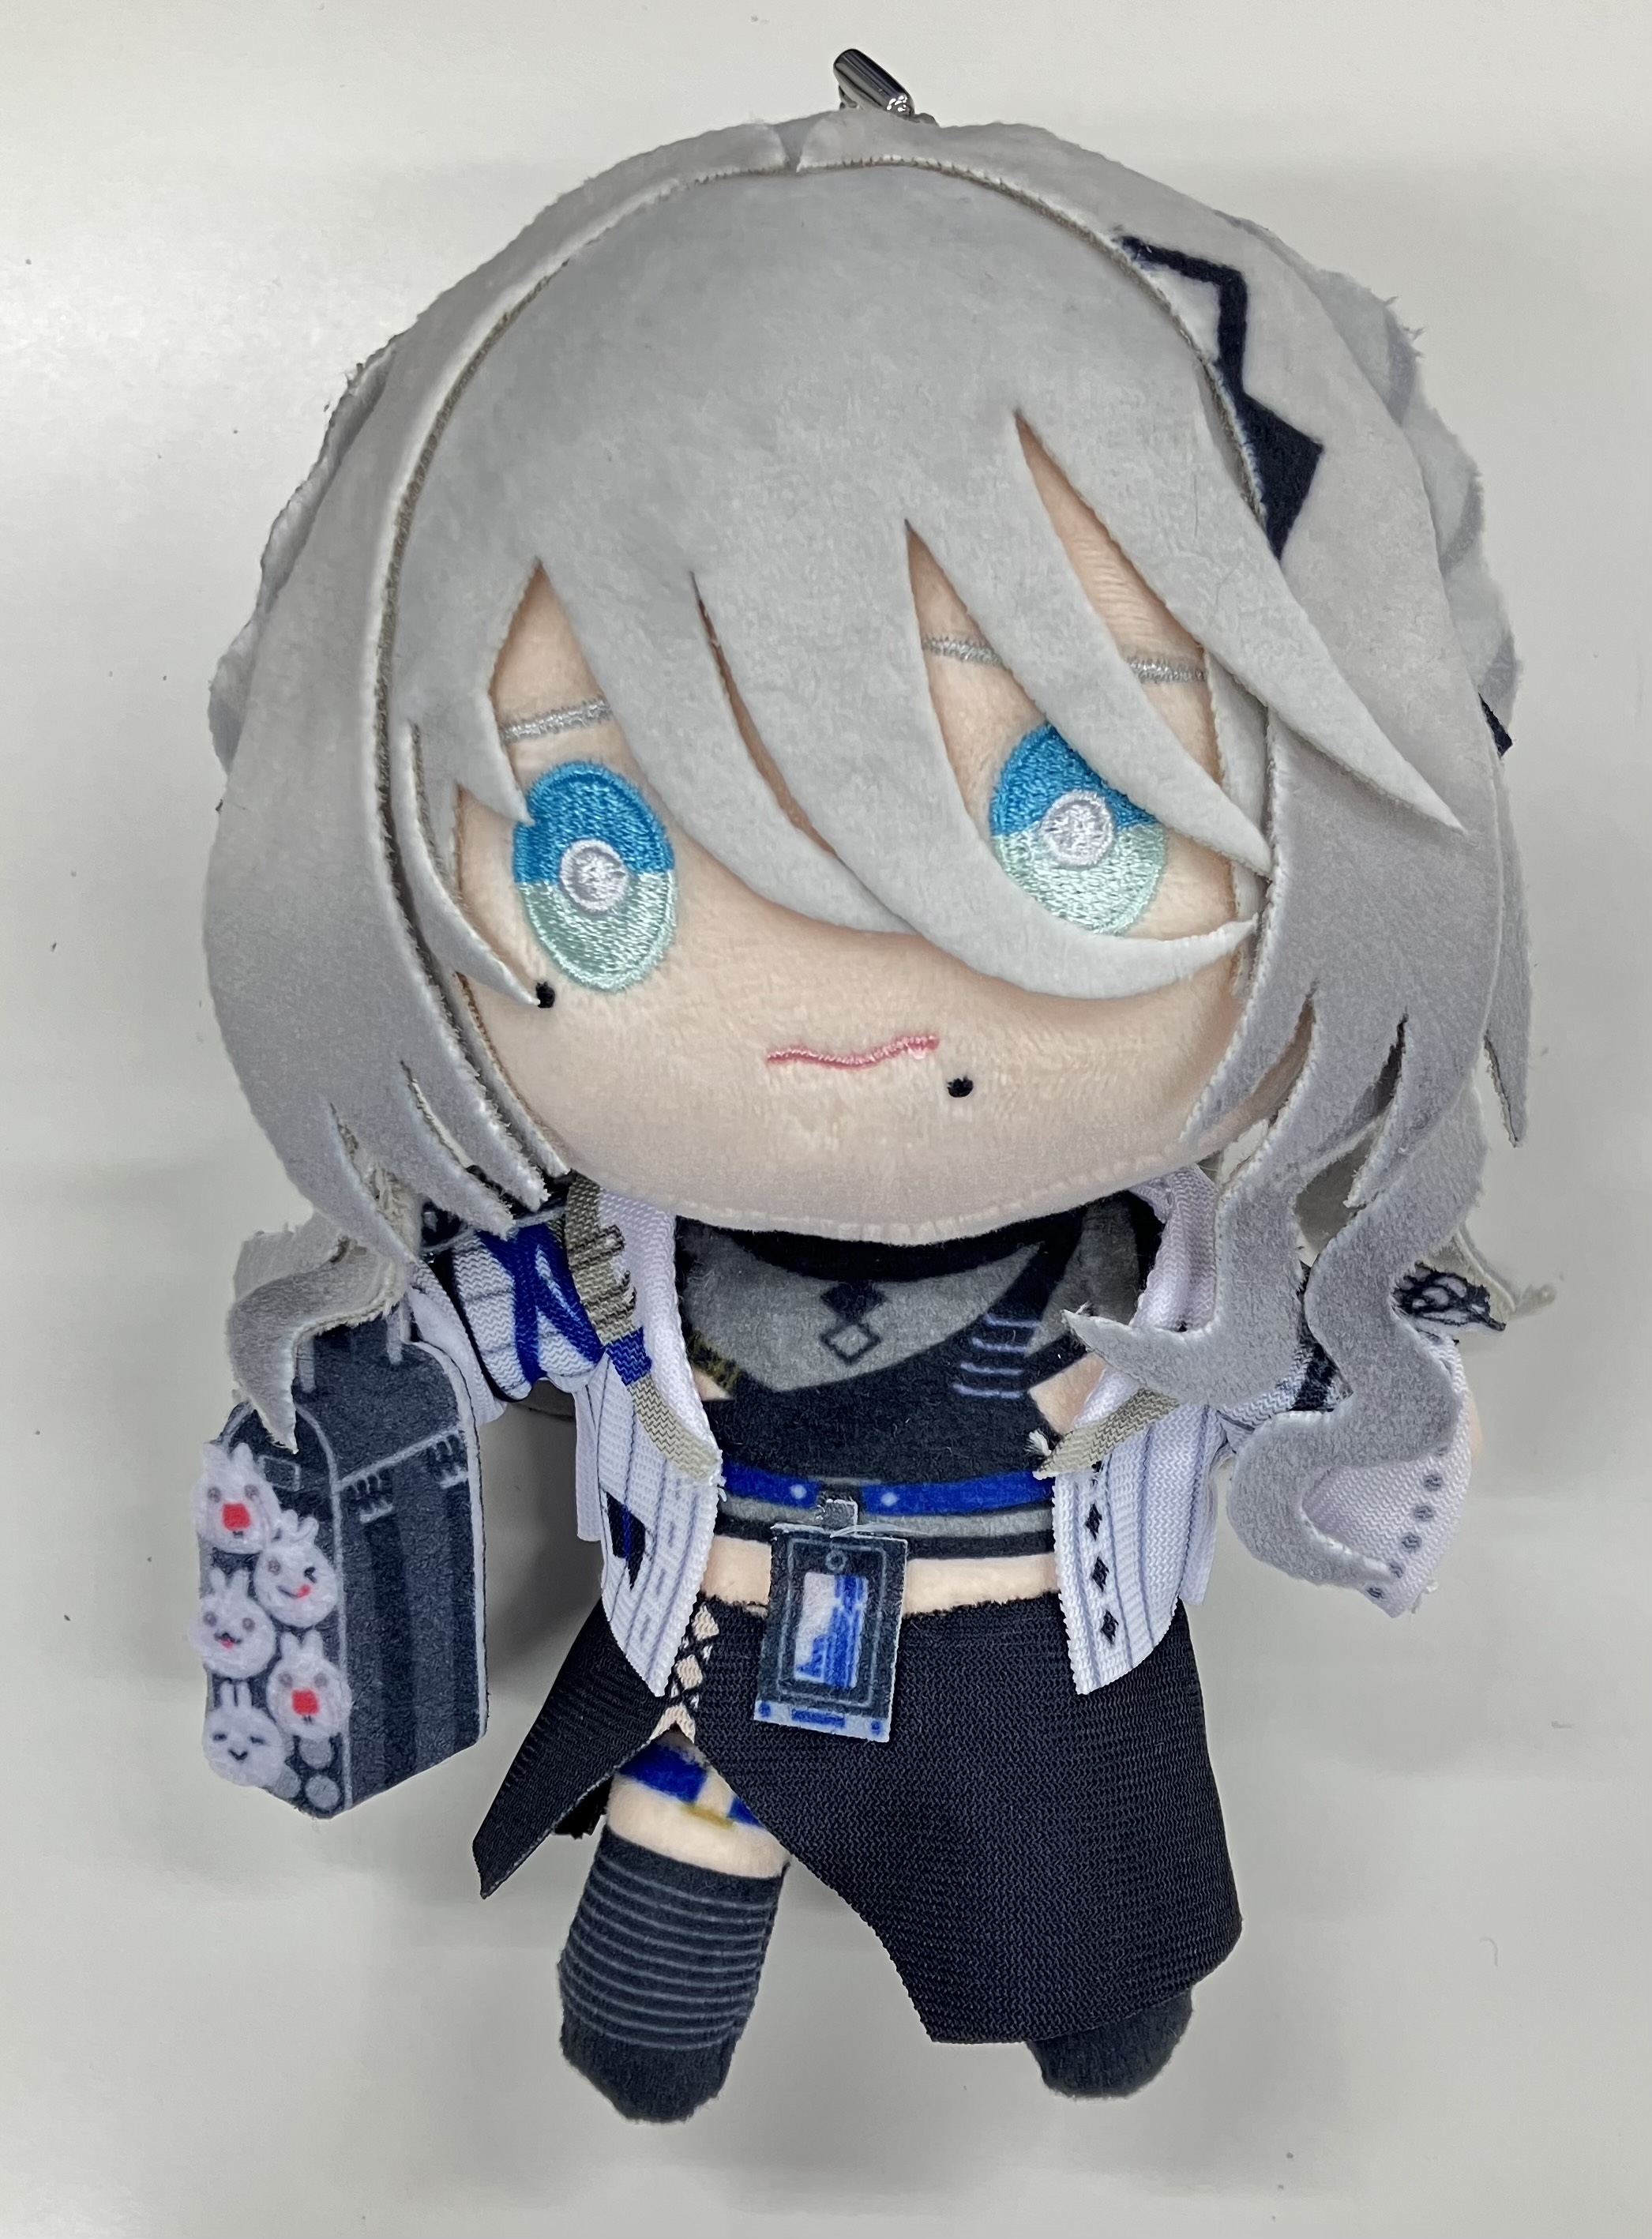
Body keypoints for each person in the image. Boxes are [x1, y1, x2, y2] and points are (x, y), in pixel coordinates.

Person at [203, 100, 1527, 2121]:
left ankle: (1085, 1969)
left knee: (1089, 1917)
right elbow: (482, 1324)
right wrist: (350, 1368)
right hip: (713, 1657)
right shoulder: (618, 1260)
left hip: (1037, 1654)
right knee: (662, 1940)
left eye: (1076, 822)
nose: (853, 1002)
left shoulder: (1163, 1266)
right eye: (596, 858)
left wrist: (1377, 1352)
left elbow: (1301, 1371)